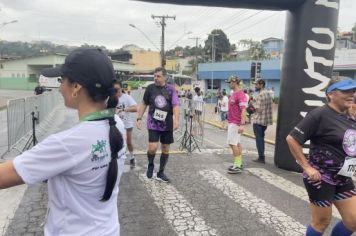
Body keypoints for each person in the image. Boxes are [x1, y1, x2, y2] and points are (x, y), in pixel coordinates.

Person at [0, 48, 127, 235]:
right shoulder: (117, 123)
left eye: (61, 81)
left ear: (76, 87)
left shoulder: (67, 144)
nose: (59, 88)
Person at [286, 78, 356, 236]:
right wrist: (307, 167)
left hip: (344, 176)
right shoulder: (319, 114)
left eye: (353, 91)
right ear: (331, 94)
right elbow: (292, 139)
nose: (351, 94)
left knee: (353, 221)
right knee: (321, 222)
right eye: (346, 91)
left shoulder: (351, 115)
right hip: (321, 177)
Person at [136, 67, 180, 183]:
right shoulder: (150, 88)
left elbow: (176, 105)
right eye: (154, 76)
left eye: (158, 76)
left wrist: (176, 119)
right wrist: (139, 118)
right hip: (153, 123)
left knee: (165, 148)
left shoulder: (171, 89)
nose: (155, 78)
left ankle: (161, 172)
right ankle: (150, 164)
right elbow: (144, 103)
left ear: (165, 77)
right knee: (152, 148)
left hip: (167, 124)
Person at [225, 75, 247, 174]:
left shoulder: (240, 94)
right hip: (232, 122)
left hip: (236, 123)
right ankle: (239, 163)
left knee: (232, 143)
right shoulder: (234, 93)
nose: (229, 84)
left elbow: (243, 110)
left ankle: (237, 165)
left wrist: (242, 124)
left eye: (230, 82)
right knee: (237, 143)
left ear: (234, 82)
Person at [114, 80, 138, 168]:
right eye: (114, 89)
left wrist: (124, 109)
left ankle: (132, 157)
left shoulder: (126, 97)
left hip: (126, 124)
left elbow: (135, 108)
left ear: (121, 88)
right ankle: (116, 159)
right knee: (116, 142)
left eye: (118, 89)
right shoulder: (111, 97)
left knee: (128, 142)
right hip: (115, 125)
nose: (116, 91)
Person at [251, 79, 273, 163]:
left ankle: (261, 157)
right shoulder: (268, 93)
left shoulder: (261, 95)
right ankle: (261, 156)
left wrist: (252, 103)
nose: (255, 86)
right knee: (261, 138)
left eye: (256, 84)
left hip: (258, 120)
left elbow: (258, 109)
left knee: (259, 139)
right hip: (265, 121)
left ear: (261, 85)